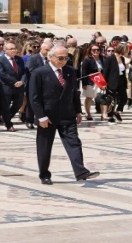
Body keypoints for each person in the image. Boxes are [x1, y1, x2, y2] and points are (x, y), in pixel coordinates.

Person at [29, 46, 100, 185]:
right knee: (44, 146)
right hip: (47, 117)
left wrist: (78, 111)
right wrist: (40, 116)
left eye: (66, 58)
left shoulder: (70, 71)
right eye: (60, 58)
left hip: (67, 114)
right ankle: (44, 174)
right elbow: (34, 97)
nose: (63, 61)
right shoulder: (39, 73)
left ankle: (81, 171)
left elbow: (74, 92)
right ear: (50, 57)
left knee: (74, 143)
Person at [0, 42, 26, 132]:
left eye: (14, 48)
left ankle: (6, 117)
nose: (14, 50)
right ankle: (9, 125)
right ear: (5, 50)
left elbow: (24, 72)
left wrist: (22, 81)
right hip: (7, 87)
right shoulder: (0, 60)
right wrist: (15, 82)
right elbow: (2, 74)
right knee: (6, 106)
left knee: (19, 104)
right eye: (11, 49)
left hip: (19, 86)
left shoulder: (19, 59)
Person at [102, 44, 128, 123]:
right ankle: (110, 117)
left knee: (124, 98)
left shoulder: (122, 58)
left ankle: (117, 112)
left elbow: (123, 71)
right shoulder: (110, 59)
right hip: (111, 82)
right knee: (112, 100)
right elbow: (105, 72)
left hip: (121, 81)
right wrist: (103, 83)